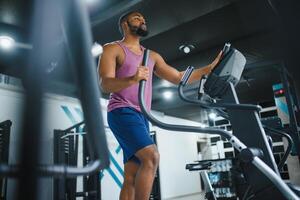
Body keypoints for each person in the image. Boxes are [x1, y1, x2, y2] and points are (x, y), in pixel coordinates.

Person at [98, 11, 222, 200]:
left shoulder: (151, 56)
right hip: (122, 111)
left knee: (131, 175)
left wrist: (209, 68)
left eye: (143, 18)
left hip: (142, 116)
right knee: (152, 156)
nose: (142, 20)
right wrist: (132, 79)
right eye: (137, 18)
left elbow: (179, 77)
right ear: (124, 24)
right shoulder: (112, 49)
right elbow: (105, 84)